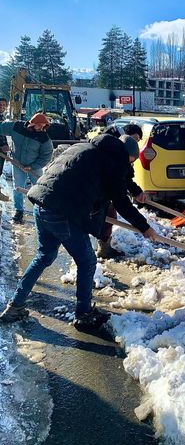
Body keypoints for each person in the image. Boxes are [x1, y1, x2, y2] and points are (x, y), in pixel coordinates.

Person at [0, 135, 158, 331]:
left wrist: (135, 190)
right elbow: (121, 202)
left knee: (44, 256)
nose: (130, 165)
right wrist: (145, 227)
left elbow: (121, 178)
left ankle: (15, 306)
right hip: (63, 212)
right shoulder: (112, 161)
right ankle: (83, 314)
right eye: (131, 161)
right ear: (126, 155)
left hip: (41, 203)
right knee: (87, 261)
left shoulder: (88, 149)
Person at [97, 123, 146, 258]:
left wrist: (136, 191)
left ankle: (104, 245)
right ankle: (103, 247)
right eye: (135, 139)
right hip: (97, 190)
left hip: (103, 187)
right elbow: (121, 199)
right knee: (108, 212)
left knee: (109, 213)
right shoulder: (115, 150)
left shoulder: (120, 149)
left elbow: (126, 176)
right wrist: (145, 227)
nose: (136, 143)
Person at [0, 113, 54, 222]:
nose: (42, 128)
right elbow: (1, 127)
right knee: (18, 187)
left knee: (40, 188)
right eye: (40, 125)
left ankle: (42, 209)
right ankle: (19, 211)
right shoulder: (17, 127)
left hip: (34, 166)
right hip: (17, 163)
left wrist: (33, 166)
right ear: (32, 123)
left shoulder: (43, 137)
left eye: (44, 126)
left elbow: (47, 155)